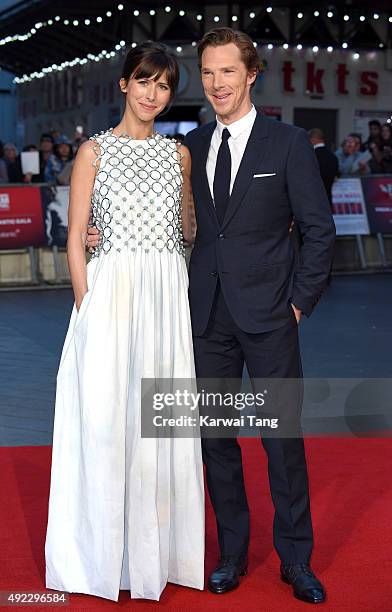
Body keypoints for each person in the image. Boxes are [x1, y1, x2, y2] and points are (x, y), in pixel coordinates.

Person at [88, 27, 336, 604]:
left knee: (282, 443)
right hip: (206, 320)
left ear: (251, 75)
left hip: (273, 318)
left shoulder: (289, 143)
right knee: (216, 444)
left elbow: (319, 231)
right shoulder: (189, 148)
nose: (217, 83)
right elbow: (157, 215)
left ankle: (296, 559)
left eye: (228, 71)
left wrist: (299, 302)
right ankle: (230, 555)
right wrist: (100, 234)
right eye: (208, 72)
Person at [45, 41, 204, 602]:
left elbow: (186, 230)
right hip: (109, 300)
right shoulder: (93, 152)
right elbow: (74, 239)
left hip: (164, 300)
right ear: (123, 84)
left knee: (158, 426)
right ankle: (100, 556)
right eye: (143, 81)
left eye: (162, 86)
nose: (152, 94)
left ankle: (154, 557)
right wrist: (87, 308)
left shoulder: (178, 155)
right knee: (107, 424)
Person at [308, 128, 339, 206]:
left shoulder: (311, 156)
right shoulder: (333, 157)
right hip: (327, 200)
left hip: (312, 201)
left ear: (313, 139)